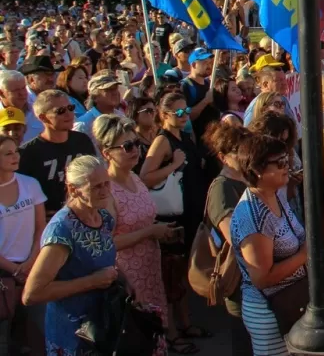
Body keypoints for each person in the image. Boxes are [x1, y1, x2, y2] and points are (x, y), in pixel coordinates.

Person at [93, 114, 175, 355]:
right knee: (136, 338)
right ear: (107, 153)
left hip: (150, 267)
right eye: (127, 146)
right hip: (127, 277)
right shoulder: (106, 191)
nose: (134, 150)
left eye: (136, 144)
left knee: (153, 333)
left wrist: (159, 231)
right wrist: (151, 231)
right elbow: (107, 243)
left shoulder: (135, 177)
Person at [22, 156, 119, 353]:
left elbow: (105, 255)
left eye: (106, 184)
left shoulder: (103, 217)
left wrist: (128, 283)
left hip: (102, 324)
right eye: (96, 187)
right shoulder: (62, 231)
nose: (105, 191)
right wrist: (92, 281)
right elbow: (32, 294)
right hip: (73, 334)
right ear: (74, 190)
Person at [139, 92, 211, 342]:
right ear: (164, 115)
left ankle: (185, 322)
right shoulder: (163, 141)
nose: (185, 115)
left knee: (181, 274)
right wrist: (173, 165)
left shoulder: (185, 135)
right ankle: (171, 331)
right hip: (174, 216)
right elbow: (145, 176)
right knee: (172, 275)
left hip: (192, 210)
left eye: (186, 110)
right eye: (178, 113)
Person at [229, 135, 306, 356]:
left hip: (291, 301)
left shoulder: (275, 194)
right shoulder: (252, 217)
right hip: (270, 312)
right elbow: (261, 278)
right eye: (280, 163)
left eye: (287, 160)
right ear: (257, 170)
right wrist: (305, 255)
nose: (287, 167)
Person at [202, 121, 253, 353]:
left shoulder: (247, 178)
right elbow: (236, 237)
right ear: (223, 157)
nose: (245, 154)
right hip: (239, 278)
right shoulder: (222, 188)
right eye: (238, 151)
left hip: (255, 275)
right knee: (244, 339)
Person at [0, 133, 46, 354]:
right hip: (4, 275)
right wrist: (14, 269)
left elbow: (41, 227)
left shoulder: (30, 184)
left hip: (33, 268)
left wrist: (30, 262)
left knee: (35, 335)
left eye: (15, 151)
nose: (14, 156)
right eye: (7, 153)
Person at [19, 90, 97, 217]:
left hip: (85, 213)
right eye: (60, 111)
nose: (69, 114)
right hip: (49, 219)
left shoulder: (82, 141)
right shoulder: (28, 153)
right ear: (43, 117)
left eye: (70, 108)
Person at [72, 71, 124, 143]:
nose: (115, 92)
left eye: (115, 88)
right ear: (95, 97)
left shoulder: (120, 115)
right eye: (108, 90)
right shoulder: (83, 125)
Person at [180, 48, 219, 139]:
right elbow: (186, 117)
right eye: (205, 63)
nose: (209, 66)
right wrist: (205, 101)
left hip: (213, 138)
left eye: (210, 63)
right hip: (197, 138)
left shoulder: (209, 84)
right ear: (194, 64)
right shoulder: (185, 86)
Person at [0, 71, 43, 144]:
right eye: (16, 90)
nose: (22, 93)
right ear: (1, 93)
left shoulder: (39, 108)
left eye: (23, 88)